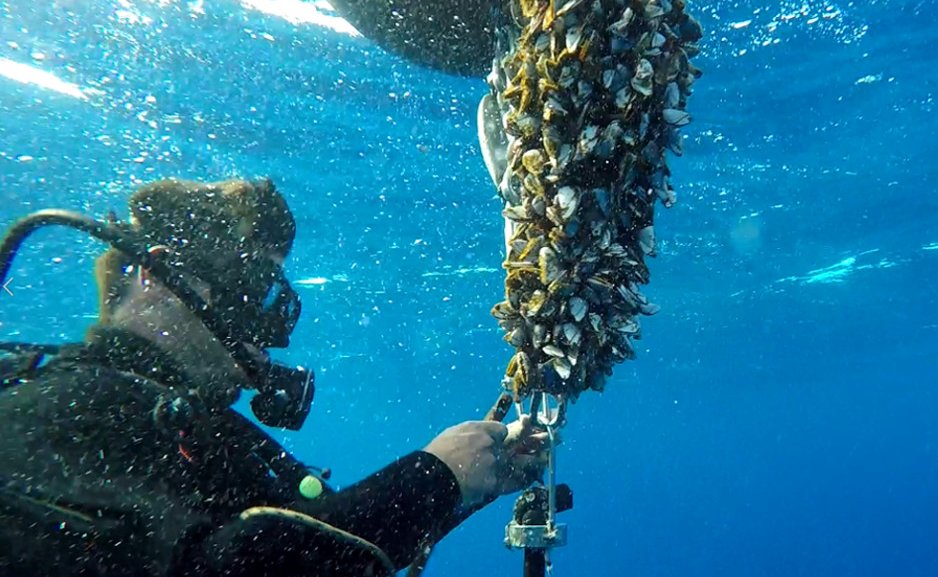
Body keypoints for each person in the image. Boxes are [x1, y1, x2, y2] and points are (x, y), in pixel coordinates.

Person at [0, 178, 547, 576]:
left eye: (275, 306)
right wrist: (435, 476)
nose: (265, 337)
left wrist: (462, 485)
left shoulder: (191, 428)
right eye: (253, 292)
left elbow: (315, 532)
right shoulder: (65, 408)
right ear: (158, 275)